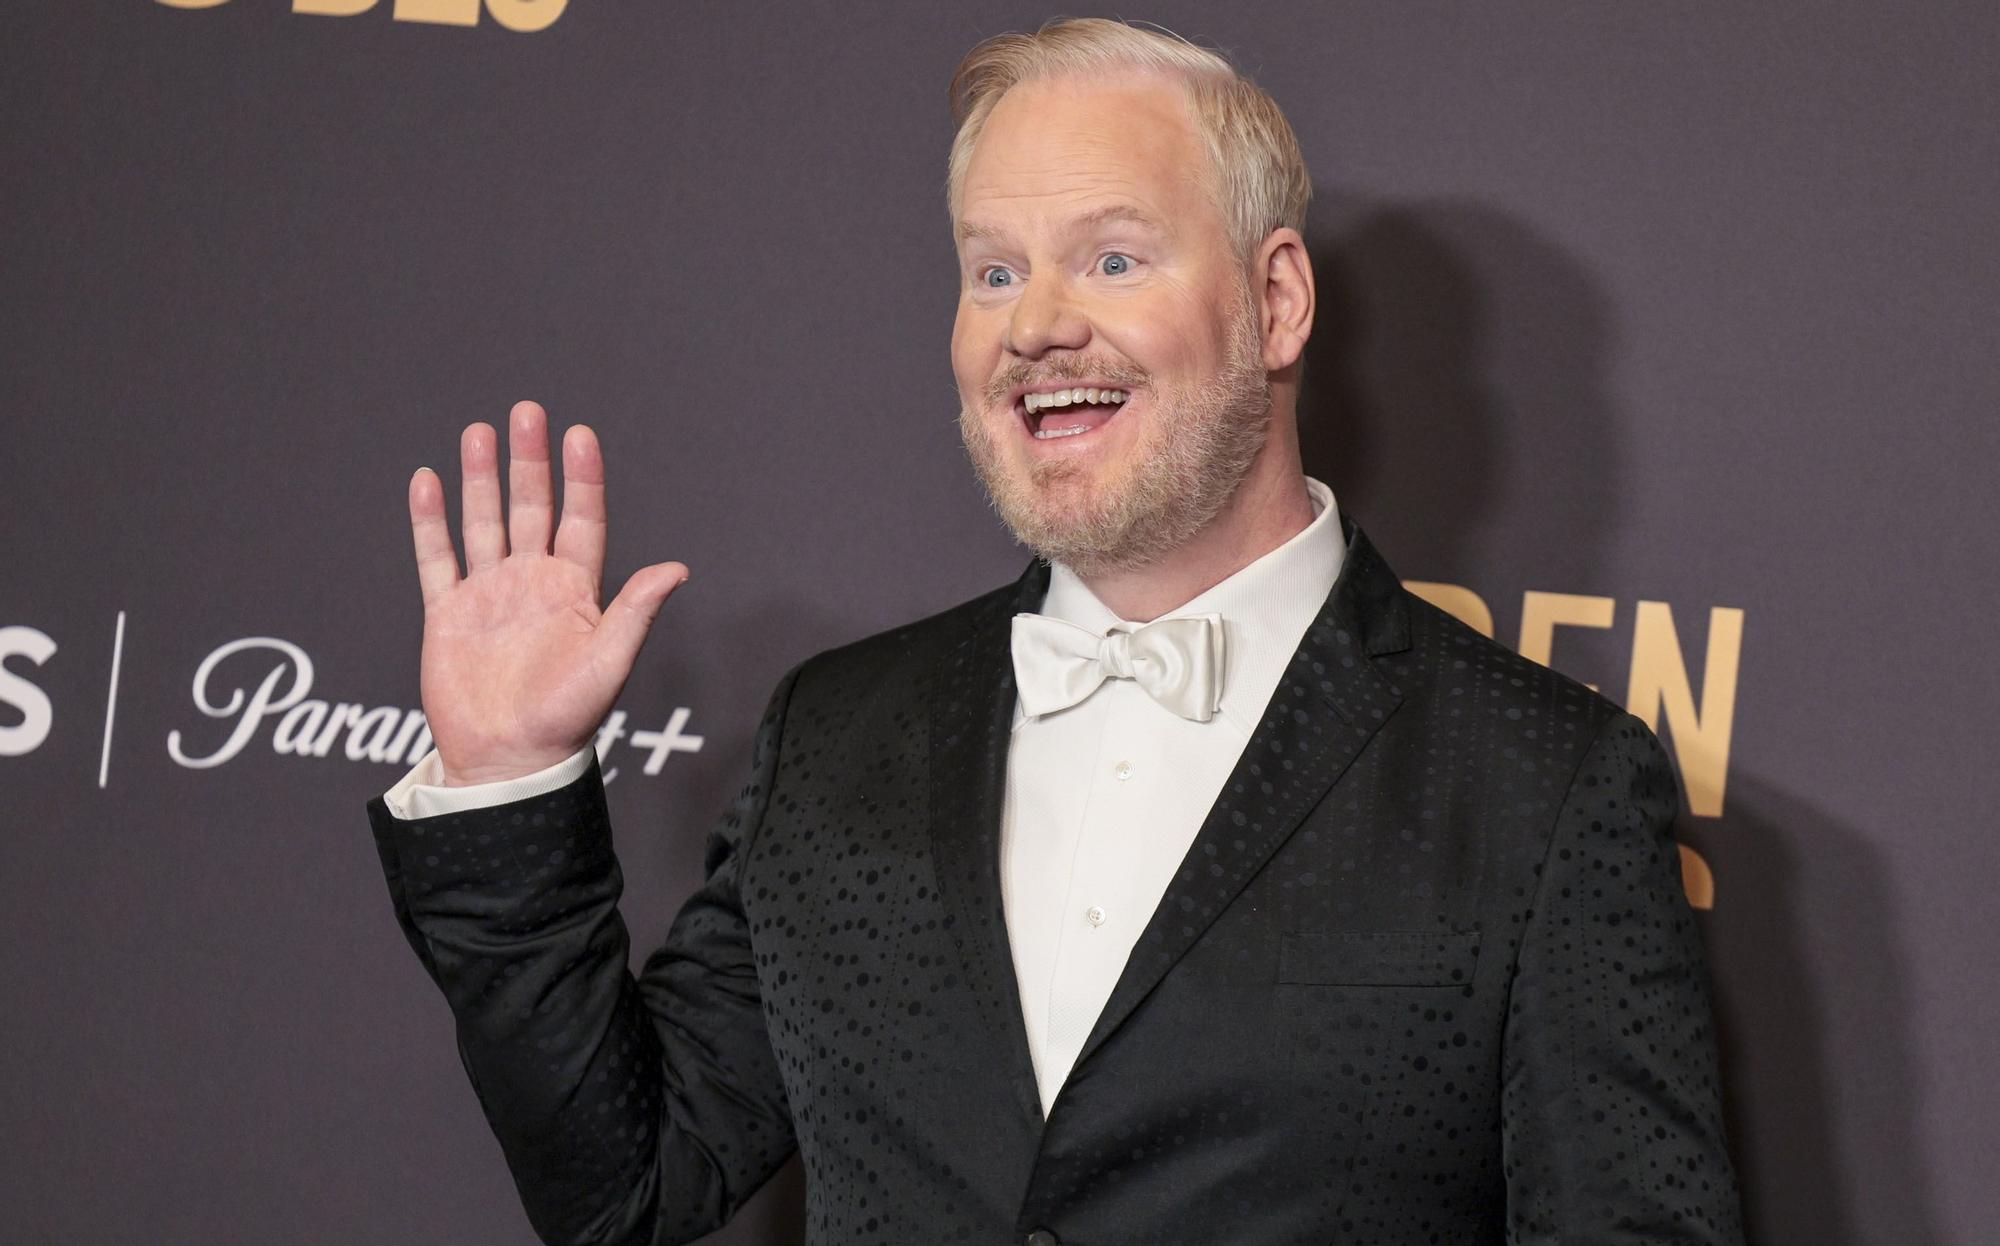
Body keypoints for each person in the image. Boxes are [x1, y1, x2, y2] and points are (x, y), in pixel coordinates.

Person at [369, 18, 1745, 1246]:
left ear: (1276, 301)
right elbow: (631, 1190)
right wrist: (507, 779)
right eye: (991, 272)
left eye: (1112, 255)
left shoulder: (1546, 790)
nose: (1036, 326)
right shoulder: (838, 735)